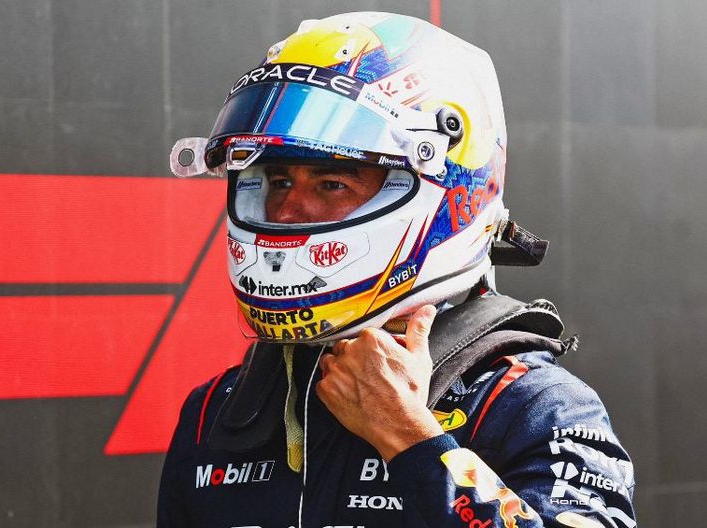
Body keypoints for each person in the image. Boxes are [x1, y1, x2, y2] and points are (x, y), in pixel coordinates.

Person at [161, 12, 636, 528]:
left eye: (332, 184)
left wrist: (411, 438)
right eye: (277, 182)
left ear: (446, 190)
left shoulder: (533, 405)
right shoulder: (217, 410)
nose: (287, 212)